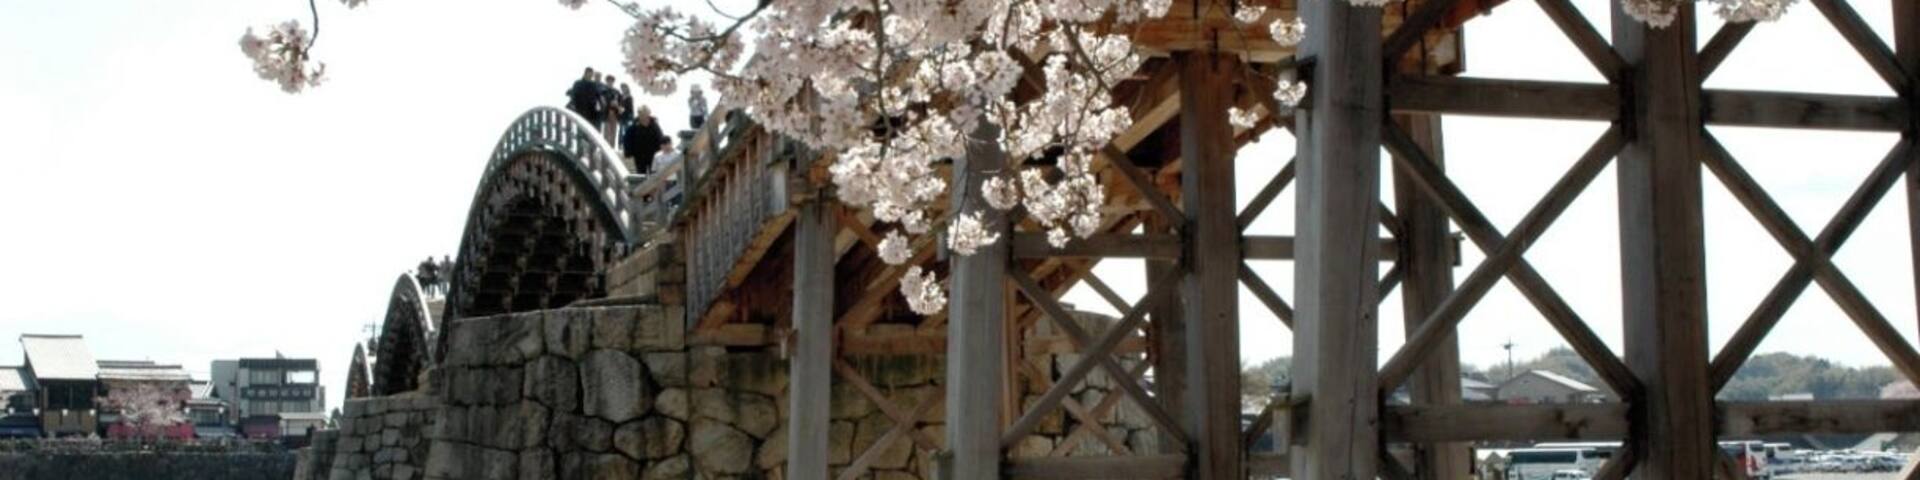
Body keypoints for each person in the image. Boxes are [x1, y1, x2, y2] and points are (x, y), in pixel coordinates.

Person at [621, 105, 669, 174]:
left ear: (648, 114)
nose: (643, 117)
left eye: (645, 114)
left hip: (653, 154)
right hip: (639, 155)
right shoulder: (634, 126)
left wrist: (663, 149)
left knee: (654, 174)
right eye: (641, 114)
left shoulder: (654, 125)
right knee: (641, 174)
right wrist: (628, 153)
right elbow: (627, 140)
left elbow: (660, 138)